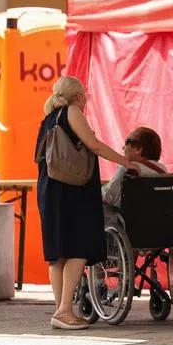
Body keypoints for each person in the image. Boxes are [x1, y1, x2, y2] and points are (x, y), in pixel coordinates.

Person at [34, 76, 135, 330]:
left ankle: (61, 310)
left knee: (57, 254)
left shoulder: (48, 119)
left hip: (50, 190)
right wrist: (126, 162)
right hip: (73, 191)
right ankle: (65, 310)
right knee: (79, 247)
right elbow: (94, 146)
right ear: (79, 96)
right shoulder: (72, 112)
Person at [101, 126, 168, 211]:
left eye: (127, 142)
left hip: (124, 222)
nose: (123, 148)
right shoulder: (163, 171)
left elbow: (107, 197)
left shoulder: (127, 168)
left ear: (138, 149)